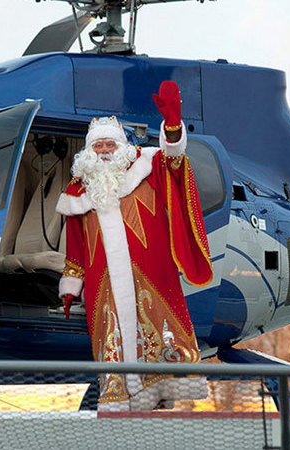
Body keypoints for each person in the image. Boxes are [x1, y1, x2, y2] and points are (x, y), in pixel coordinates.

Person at [56, 81, 213, 411]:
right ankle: (121, 417)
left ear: (122, 145)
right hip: (104, 287)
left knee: (161, 345)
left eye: (109, 144)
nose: (103, 151)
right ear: (87, 152)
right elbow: (76, 246)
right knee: (112, 349)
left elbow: (175, 161)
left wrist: (172, 128)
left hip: (151, 275)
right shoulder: (77, 190)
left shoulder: (146, 165)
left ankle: (162, 407)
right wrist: (72, 285)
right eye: (97, 146)